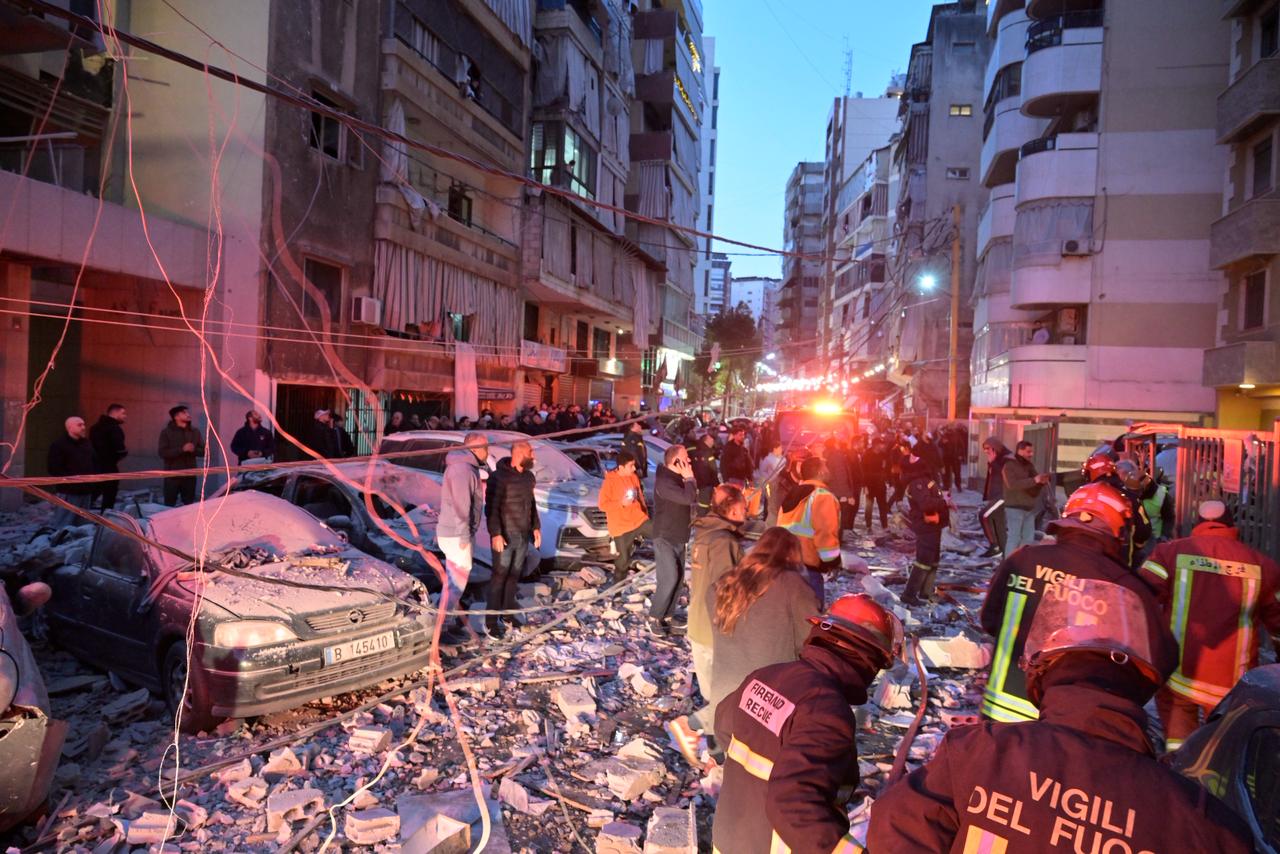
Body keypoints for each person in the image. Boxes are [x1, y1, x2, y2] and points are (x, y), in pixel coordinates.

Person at [869, 577, 1252, 854]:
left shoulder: (978, 753)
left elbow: (897, 826)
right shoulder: (1203, 823)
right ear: (1140, 683)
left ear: (1042, 673)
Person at [713, 593, 900, 854]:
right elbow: (794, 803)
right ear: (868, 659)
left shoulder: (766, 676)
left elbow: (723, 725)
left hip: (729, 838)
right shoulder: (826, 709)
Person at [978, 481, 1162, 723]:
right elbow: (1156, 662)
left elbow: (989, 621)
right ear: (1117, 530)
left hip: (1000, 713)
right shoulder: (1123, 584)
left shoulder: (1023, 559)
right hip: (1071, 724)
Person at [1139, 499, 1280, 749]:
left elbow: (1140, 595)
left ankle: (1179, 767)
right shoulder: (1262, 566)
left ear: (1198, 524)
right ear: (1230, 525)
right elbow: (1277, 622)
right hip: (1233, 683)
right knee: (1223, 747)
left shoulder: (1169, 553)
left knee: (1178, 744)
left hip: (1180, 675)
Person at [706, 527, 821, 718]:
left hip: (724, 696)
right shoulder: (793, 584)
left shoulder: (724, 584)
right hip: (766, 702)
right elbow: (810, 638)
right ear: (792, 554)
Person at [687, 484, 747, 729]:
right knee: (723, 698)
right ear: (732, 510)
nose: (747, 514)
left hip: (697, 624)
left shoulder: (705, 535)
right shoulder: (723, 541)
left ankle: (711, 737)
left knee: (711, 694)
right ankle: (716, 736)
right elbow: (726, 588)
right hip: (715, 630)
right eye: (744, 509)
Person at [483, 441, 540, 639]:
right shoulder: (498, 477)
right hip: (505, 536)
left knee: (514, 575)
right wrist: (496, 533)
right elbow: (491, 508)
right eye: (531, 453)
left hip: (522, 535)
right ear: (520, 454)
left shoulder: (528, 477)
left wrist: (536, 527)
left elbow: (531, 504)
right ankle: (491, 621)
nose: (534, 457)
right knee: (499, 576)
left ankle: (508, 613)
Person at [436, 433, 488, 645]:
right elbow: (461, 505)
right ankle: (440, 629)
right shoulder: (463, 470)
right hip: (457, 535)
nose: (488, 451)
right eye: (485, 447)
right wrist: (464, 535)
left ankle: (444, 624)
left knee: (453, 584)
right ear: (474, 448)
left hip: (457, 533)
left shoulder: (466, 467)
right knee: (455, 585)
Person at [777, 456, 842, 601]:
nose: (829, 470)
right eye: (826, 467)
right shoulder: (822, 496)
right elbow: (825, 533)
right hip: (808, 566)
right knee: (811, 610)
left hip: (786, 562)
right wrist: (832, 562)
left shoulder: (793, 494)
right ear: (820, 472)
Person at [650, 444, 697, 636]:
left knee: (678, 579)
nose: (689, 460)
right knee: (669, 577)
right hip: (665, 536)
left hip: (678, 535)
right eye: (685, 458)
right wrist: (690, 478)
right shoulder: (664, 481)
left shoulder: (676, 478)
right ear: (676, 461)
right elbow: (688, 498)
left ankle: (668, 616)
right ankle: (654, 617)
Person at [902, 454, 950, 605]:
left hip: (934, 525)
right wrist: (944, 502)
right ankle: (909, 595)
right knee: (923, 561)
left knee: (933, 560)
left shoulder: (925, 480)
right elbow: (926, 504)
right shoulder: (918, 483)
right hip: (926, 526)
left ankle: (926, 592)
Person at [597, 451, 650, 584]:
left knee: (660, 533)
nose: (634, 468)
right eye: (631, 466)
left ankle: (670, 559)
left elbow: (640, 497)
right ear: (621, 467)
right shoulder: (610, 481)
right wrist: (621, 503)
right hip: (621, 527)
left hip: (638, 519)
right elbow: (602, 505)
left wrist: (645, 513)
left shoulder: (633, 477)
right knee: (623, 561)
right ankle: (617, 589)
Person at [1002, 440, 1051, 553]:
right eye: (1028, 451)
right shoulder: (1009, 465)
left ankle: (1020, 560)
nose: (1031, 454)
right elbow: (1012, 485)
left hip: (1028, 507)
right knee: (1014, 538)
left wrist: (1041, 481)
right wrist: (1035, 480)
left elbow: (1035, 481)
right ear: (1020, 451)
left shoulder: (1029, 465)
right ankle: (1009, 561)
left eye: (1032, 452)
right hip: (1014, 507)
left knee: (1028, 539)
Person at [47, 416, 96, 528]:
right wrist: (70, 482)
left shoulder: (86, 444)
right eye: (79, 425)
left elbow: (94, 462)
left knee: (82, 524)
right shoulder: (59, 445)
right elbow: (54, 468)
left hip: (86, 490)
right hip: (69, 492)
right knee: (64, 523)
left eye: (84, 424)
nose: (83, 427)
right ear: (69, 427)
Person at [1118, 458, 1175, 544]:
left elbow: (1169, 518)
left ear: (1144, 488)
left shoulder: (1161, 494)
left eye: (1136, 491)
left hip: (1155, 540)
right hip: (1133, 540)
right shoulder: (1125, 492)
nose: (1133, 494)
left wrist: (1164, 536)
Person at [157, 405, 204, 507]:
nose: (188, 414)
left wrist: (194, 450)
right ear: (176, 417)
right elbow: (162, 452)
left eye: (188, 412)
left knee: (189, 505)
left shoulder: (195, 432)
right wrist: (182, 449)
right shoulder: (167, 432)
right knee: (169, 504)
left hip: (189, 474)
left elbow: (204, 451)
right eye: (184, 413)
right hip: (172, 475)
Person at [88, 404, 127, 510]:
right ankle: (106, 516)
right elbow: (120, 449)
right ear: (115, 413)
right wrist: (121, 454)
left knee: (95, 490)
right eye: (123, 413)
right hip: (109, 466)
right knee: (110, 493)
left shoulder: (94, 428)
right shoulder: (114, 429)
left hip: (95, 466)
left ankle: (82, 512)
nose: (125, 416)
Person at [821, 435, 859, 538]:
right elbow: (841, 476)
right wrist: (848, 495)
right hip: (839, 493)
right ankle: (837, 539)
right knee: (840, 518)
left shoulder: (826, 454)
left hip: (831, 490)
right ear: (834, 444)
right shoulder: (837, 456)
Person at [980, 437, 1011, 557]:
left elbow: (1006, 474)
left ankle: (995, 546)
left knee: (984, 515)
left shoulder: (1007, 458)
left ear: (995, 447)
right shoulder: (997, 459)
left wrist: (993, 462)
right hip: (997, 496)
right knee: (998, 523)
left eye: (988, 448)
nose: (986, 451)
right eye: (984, 449)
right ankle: (1003, 550)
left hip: (1002, 495)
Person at [860, 436, 891, 531]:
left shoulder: (883, 455)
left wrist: (888, 480)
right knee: (869, 506)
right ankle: (868, 525)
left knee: (882, 505)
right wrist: (864, 485)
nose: (882, 446)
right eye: (881, 444)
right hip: (870, 484)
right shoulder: (867, 455)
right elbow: (863, 471)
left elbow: (887, 468)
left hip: (881, 484)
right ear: (875, 445)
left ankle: (885, 525)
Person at [754, 440, 786, 527]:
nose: (781, 449)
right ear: (774, 449)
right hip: (771, 483)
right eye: (780, 448)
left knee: (777, 502)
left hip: (781, 484)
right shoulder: (768, 459)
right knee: (770, 501)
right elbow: (762, 470)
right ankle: (767, 518)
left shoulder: (783, 459)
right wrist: (769, 478)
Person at [689, 432, 720, 514]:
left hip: (704, 484)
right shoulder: (705, 453)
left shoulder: (702, 451)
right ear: (706, 441)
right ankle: (701, 519)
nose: (712, 440)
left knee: (706, 505)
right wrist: (716, 484)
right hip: (706, 485)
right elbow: (711, 470)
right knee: (704, 505)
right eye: (710, 439)